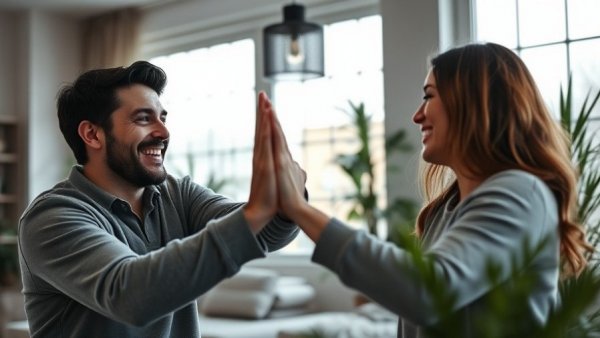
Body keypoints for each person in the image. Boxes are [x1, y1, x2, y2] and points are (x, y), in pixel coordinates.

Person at [262, 42, 592, 337]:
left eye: (429, 95)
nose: (417, 115)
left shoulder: (521, 193)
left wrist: (300, 210)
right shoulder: (443, 211)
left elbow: (429, 292)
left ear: (472, 102)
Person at [17, 61, 306, 338]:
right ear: (92, 134)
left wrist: (287, 201)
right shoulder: (51, 217)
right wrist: (256, 213)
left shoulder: (177, 194)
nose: (163, 132)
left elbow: (266, 232)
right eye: (143, 118)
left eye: (162, 117)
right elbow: (130, 295)